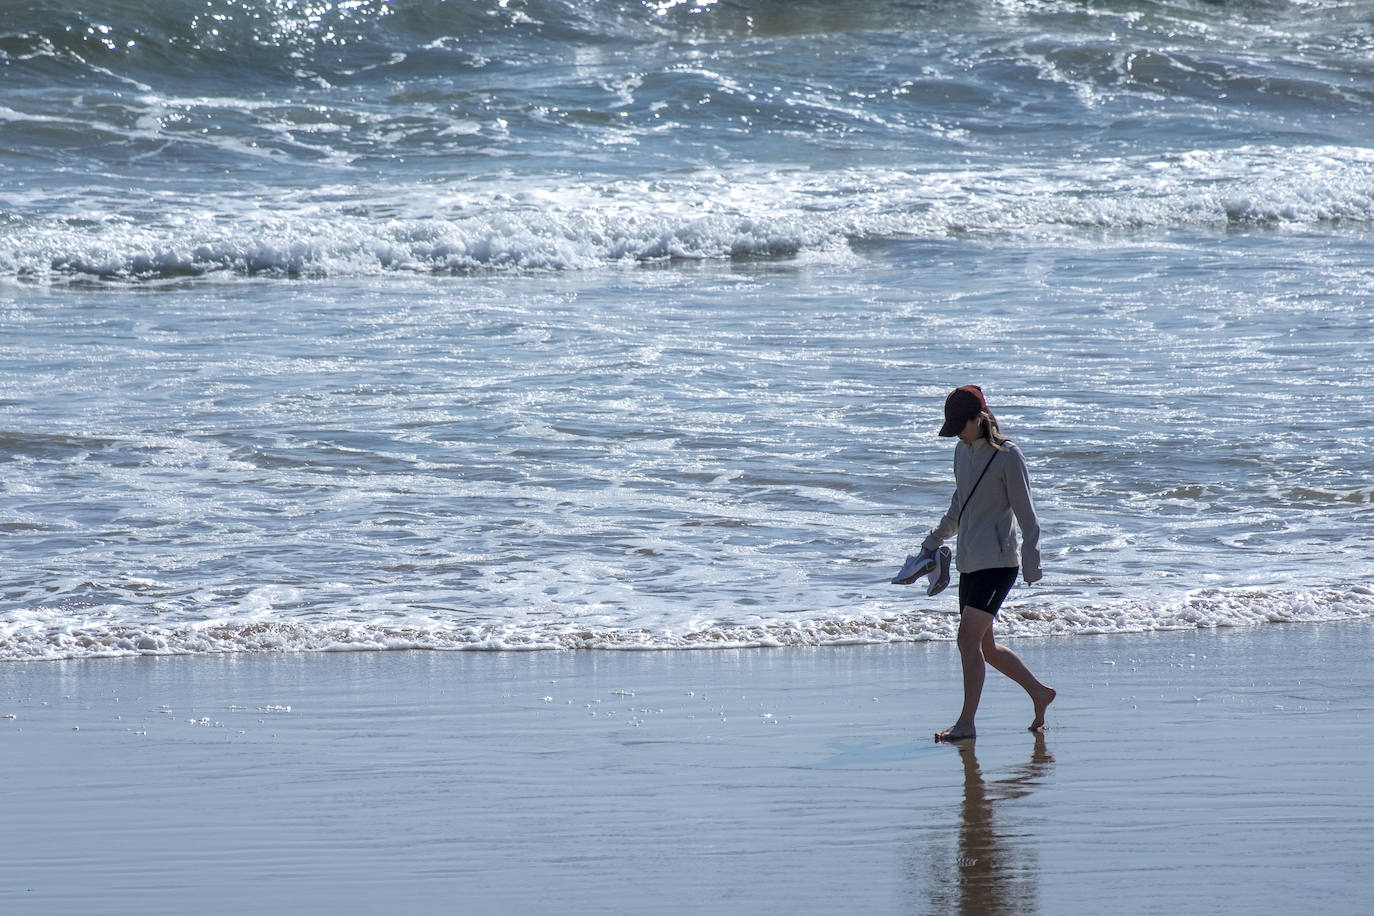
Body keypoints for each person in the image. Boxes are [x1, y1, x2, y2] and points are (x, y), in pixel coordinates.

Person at [920, 385, 1055, 741]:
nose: (957, 435)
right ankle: (1040, 693)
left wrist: (1031, 561)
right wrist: (933, 541)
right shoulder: (961, 453)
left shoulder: (1008, 457)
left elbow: (1028, 516)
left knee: (967, 641)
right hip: (969, 561)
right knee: (986, 647)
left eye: (959, 427)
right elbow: (958, 506)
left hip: (998, 563)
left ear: (978, 419)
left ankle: (966, 723)